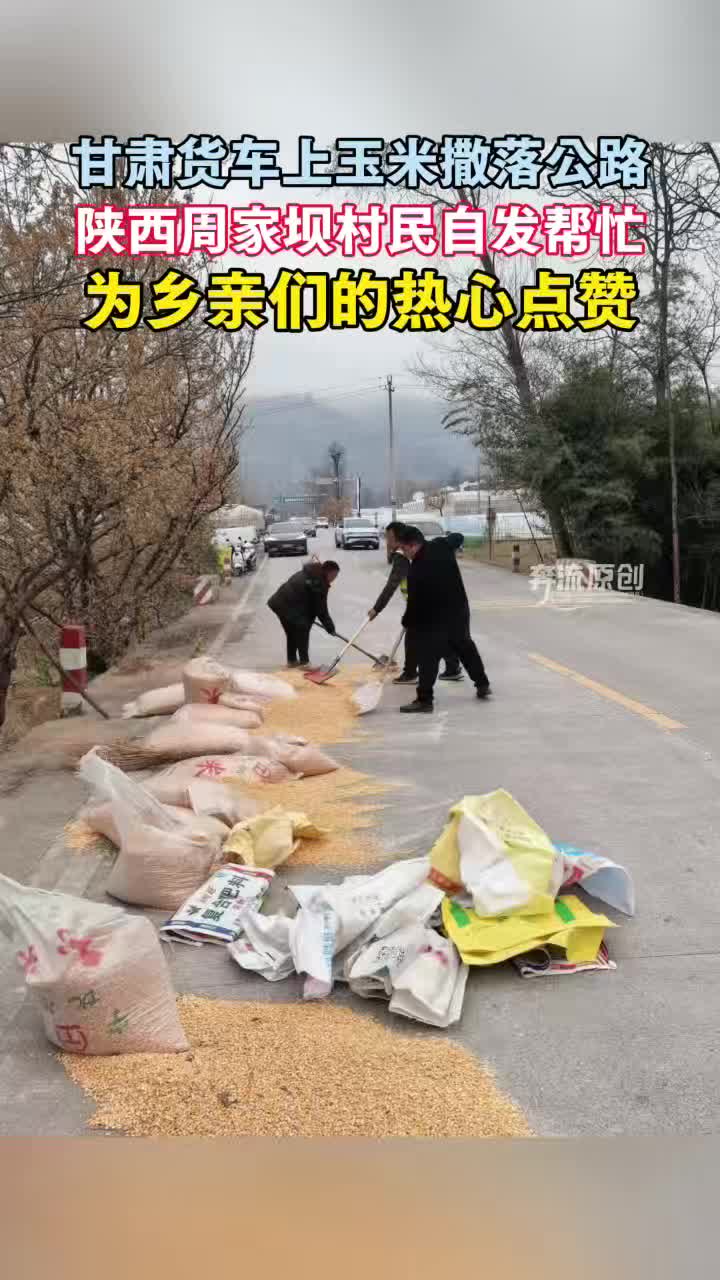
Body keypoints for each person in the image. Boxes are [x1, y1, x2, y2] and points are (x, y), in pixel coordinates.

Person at [397, 527, 490, 713]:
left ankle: (424, 700)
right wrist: (450, 541)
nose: (405, 554)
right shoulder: (440, 545)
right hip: (459, 611)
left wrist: (407, 622)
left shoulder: (416, 570)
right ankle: (482, 684)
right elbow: (458, 537)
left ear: (413, 545)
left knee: (428, 656)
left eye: (404, 549)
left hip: (436, 618)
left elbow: (414, 605)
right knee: (465, 646)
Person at [367, 522, 463, 684]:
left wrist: (377, 609)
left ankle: (411, 673)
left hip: (423, 602)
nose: (387, 542)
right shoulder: (416, 549)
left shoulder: (401, 556)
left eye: (389, 538)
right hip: (432, 599)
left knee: (413, 635)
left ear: (399, 539)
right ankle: (452, 667)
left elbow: (391, 585)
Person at [267, 560, 339, 667]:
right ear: (329, 572)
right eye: (334, 575)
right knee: (303, 630)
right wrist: (330, 628)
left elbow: (313, 605)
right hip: (287, 606)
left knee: (292, 633)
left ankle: (292, 661)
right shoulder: (319, 582)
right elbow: (321, 610)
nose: (334, 579)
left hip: (279, 603)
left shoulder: (311, 573)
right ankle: (304, 663)